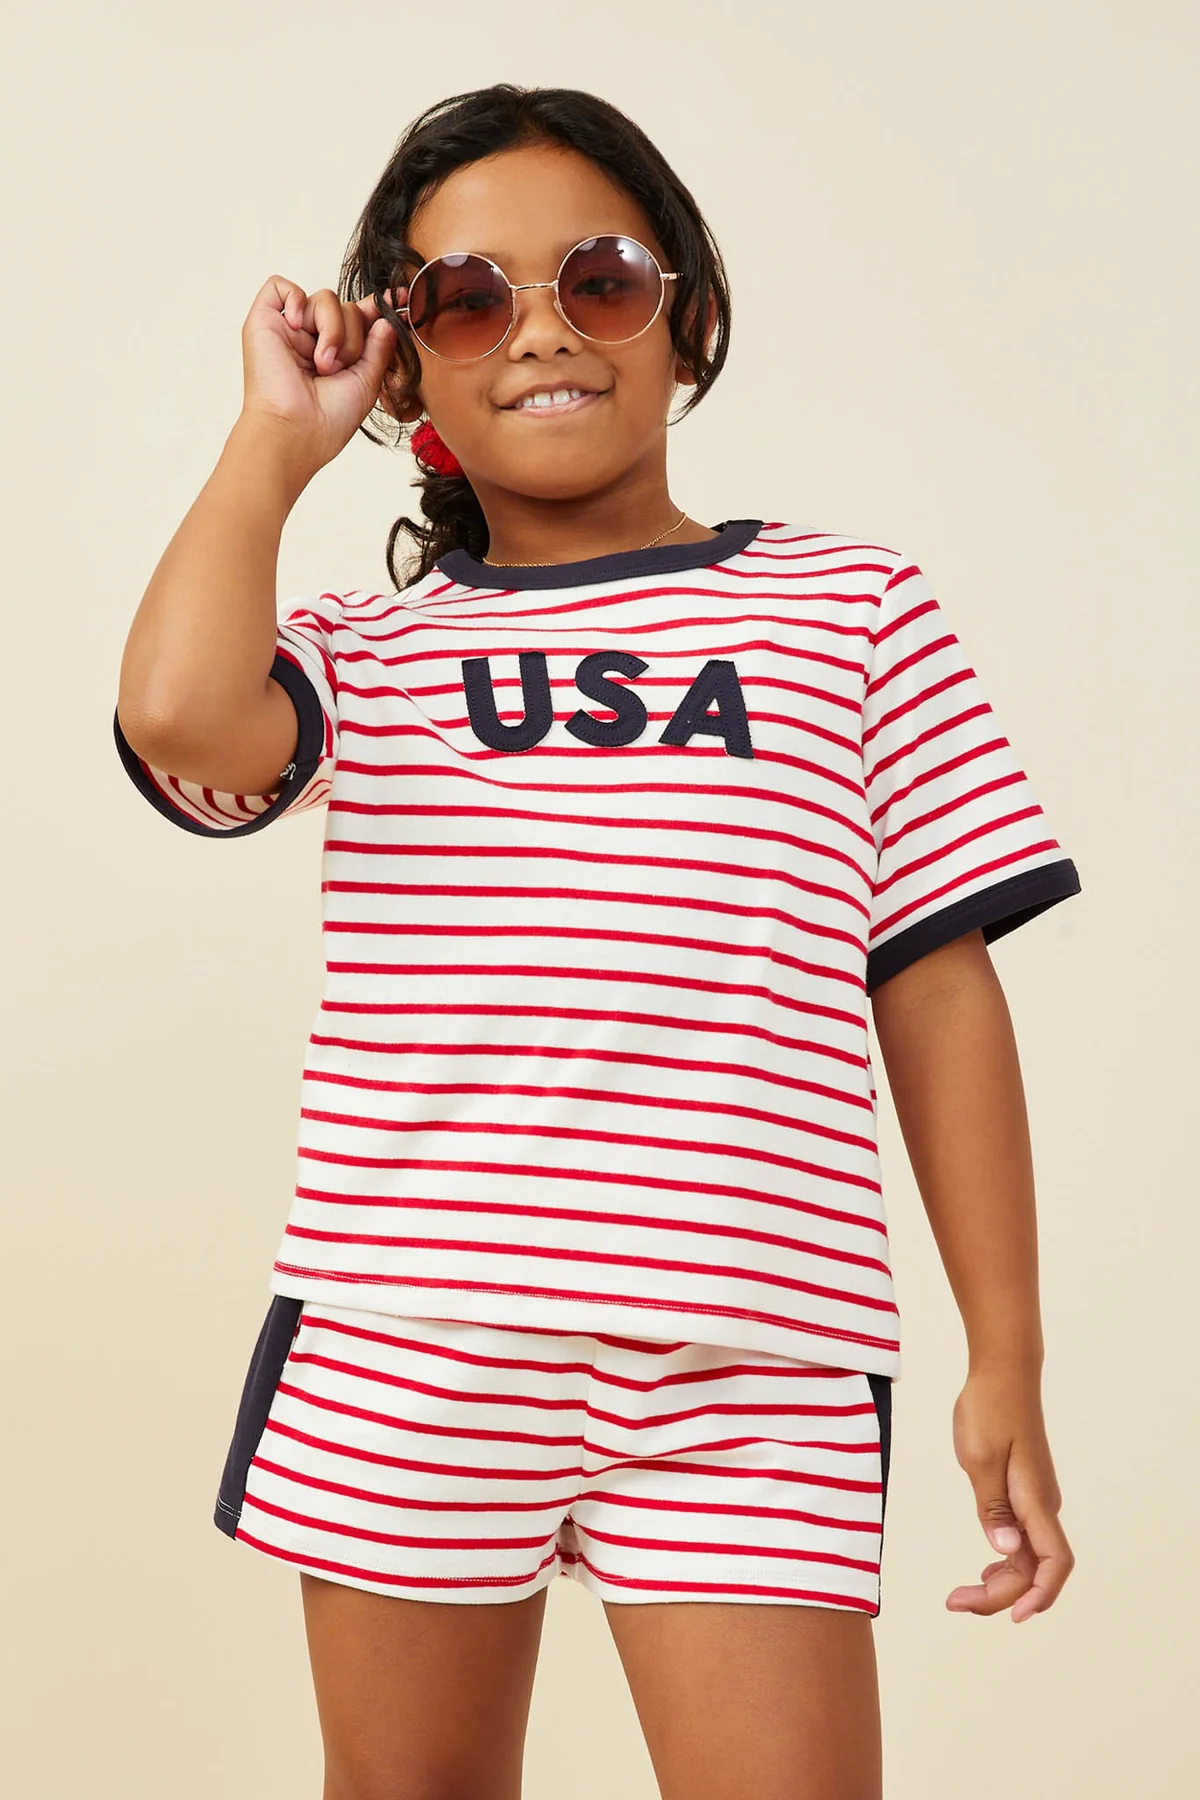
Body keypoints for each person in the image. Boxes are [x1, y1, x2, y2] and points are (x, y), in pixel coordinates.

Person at [113, 81, 1081, 1800]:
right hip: (414, 1342)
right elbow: (182, 715)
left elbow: (937, 985)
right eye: (466, 301)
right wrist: (275, 437)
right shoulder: (365, 655)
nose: (543, 330)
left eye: (601, 279)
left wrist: (1004, 1348)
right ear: (403, 369)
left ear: (685, 315)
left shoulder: (849, 608)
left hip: (754, 1359)